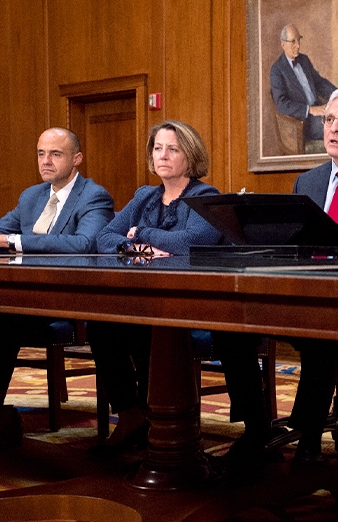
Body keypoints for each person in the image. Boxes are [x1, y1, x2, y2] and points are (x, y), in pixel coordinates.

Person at [216, 87, 338, 467]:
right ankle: (257, 427)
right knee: (230, 326)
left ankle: (307, 439)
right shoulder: (307, 182)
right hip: (300, 293)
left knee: (322, 333)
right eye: (328, 120)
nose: (333, 129)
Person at [88, 120, 222, 452]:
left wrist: (141, 235)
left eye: (172, 149)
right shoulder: (145, 196)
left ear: (189, 156)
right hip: (145, 300)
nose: (162, 155)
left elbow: (194, 242)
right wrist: (139, 248)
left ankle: (164, 424)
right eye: (158, 148)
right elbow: (104, 237)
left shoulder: (205, 196)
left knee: (152, 329)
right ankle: (132, 414)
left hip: (190, 304)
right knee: (101, 324)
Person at [0, 127, 114, 448]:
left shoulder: (93, 196)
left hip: (70, 303)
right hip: (27, 297)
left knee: (4, 320)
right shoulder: (31, 196)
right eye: (40, 153)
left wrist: (16, 241)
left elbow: (84, 243)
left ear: (77, 159)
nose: (45, 161)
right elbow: (2, 229)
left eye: (55, 154)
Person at [270, 24, 337, 144]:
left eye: (298, 39)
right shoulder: (277, 70)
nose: (298, 45)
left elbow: (319, 83)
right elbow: (281, 104)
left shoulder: (304, 60)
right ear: (283, 44)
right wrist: (310, 109)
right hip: (303, 122)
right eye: (293, 42)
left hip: (319, 108)